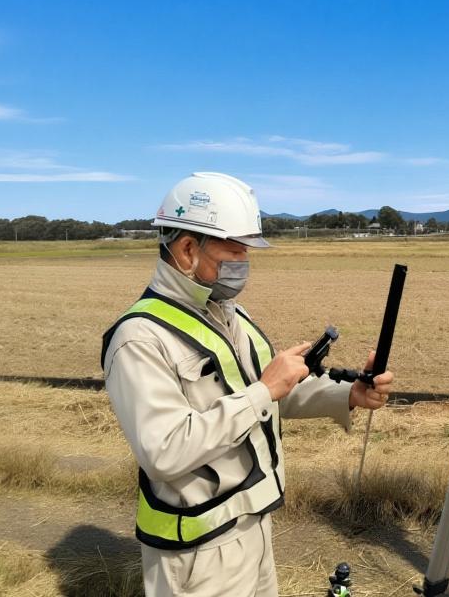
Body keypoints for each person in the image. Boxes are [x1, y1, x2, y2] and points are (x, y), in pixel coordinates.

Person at [101, 172, 393, 596]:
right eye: (235, 250)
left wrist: (348, 394)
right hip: (197, 550)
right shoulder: (139, 338)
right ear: (187, 249)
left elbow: (274, 394)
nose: (244, 262)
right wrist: (263, 391)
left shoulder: (230, 313)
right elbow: (164, 450)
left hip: (254, 525)